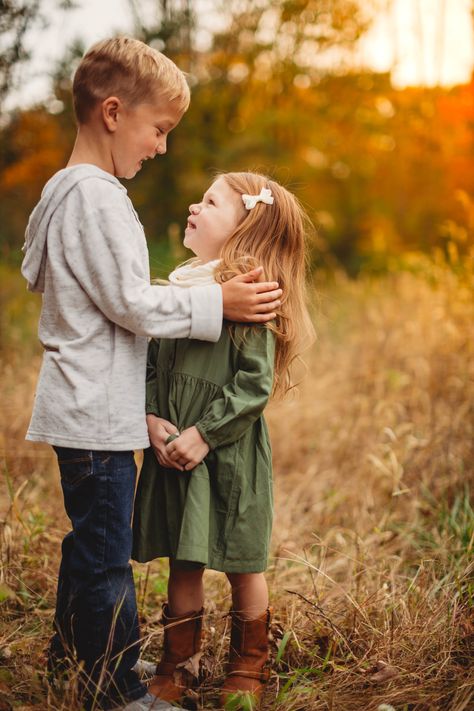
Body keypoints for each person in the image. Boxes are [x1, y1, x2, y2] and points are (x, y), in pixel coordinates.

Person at [20, 38, 282, 711]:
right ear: (113, 113)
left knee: (87, 544)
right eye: (158, 129)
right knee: (107, 557)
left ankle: (65, 659)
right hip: (95, 408)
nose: (162, 147)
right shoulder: (97, 196)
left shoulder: (60, 190)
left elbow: (33, 269)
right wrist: (214, 301)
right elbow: (133, 303)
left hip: (85, 403)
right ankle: (112, 690)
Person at [132, 171, 315, 709]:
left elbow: (253, 384)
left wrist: (205, 433)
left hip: (226, 453)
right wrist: (149, 417)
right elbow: (148, 364)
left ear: (242, 229)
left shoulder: (248, 297)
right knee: (183, 561)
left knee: (242, 562)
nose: (194, 205)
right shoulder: (178, 289)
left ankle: (248, 666)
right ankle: (178, 665)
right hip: (173, 452)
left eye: (210, 202)